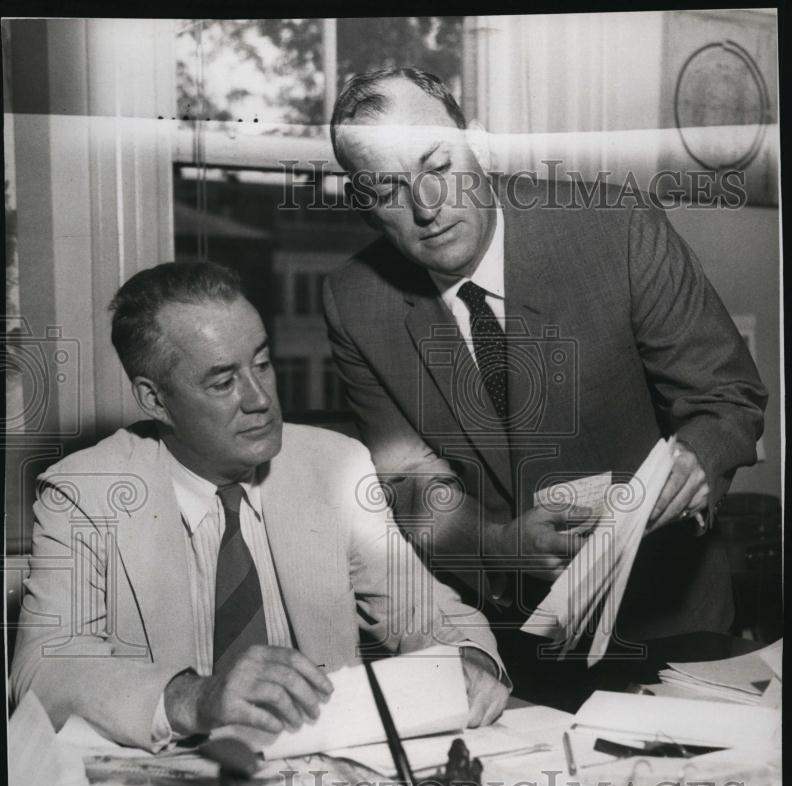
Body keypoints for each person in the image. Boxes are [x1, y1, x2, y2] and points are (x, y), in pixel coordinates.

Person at [323, 67, 767, 670]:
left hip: (668, 616)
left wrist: (695, 461)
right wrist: (499, 545)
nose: (426, 207)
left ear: (478, 145)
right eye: (388, 189)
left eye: (439, 166)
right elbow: (407, 476)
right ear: (363, 206)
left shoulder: (617, 226)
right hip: (500, 633)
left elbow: (725, 395)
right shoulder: (354, 301)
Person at [10, 262, 510, 750]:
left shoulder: (332, 465)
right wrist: (197, 697)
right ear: (155, 400)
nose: (260, 399)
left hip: (319, 775)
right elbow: (42, 673)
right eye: (223, 381)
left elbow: (423, 610)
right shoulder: (86, 493)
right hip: (174, 784)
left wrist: (469, 662)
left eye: (263, 363)